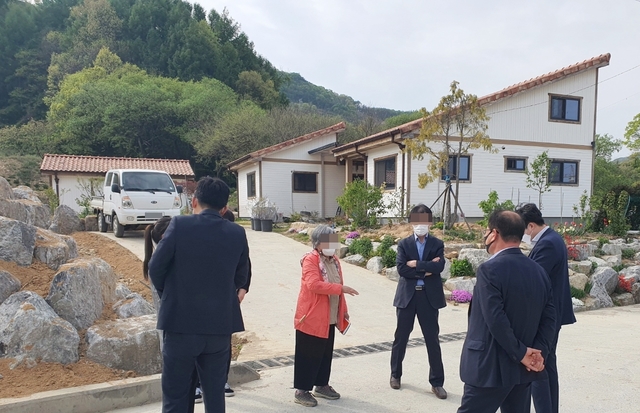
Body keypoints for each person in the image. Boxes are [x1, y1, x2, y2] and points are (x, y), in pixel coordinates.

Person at [149, 176, 249, 413]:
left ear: (194, 201)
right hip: (219, 328)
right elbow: (242, 275)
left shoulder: (179, 225)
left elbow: (155, 268)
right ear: (224, 208)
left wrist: (170, 294)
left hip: (180, 325)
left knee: (176, 397)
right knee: (215, 396)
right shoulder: (237, 232)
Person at [457, 210, 556, 413]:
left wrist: (521, 353)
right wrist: (537, 353)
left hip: (489, 369)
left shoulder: (489, 270)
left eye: (486, 232)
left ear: (494, 233)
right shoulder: (539, 272)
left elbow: (495, 319)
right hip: (523, 370)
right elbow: (550, 317)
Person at [515, 203, 576, 413]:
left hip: (546, 316)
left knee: (538, 368)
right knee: (548, 365)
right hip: (552, 313)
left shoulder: (548, 243)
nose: (522, 235)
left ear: (530, 226)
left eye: (522, 230)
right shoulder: (553, 238)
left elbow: (535, 278)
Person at [293, 225, 359, 407]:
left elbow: (339, 285)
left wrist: (343, 310)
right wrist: (341, 289)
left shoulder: (334, 261)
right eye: (329, 241)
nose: (333, 244)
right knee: (308, 353)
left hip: (329, 316)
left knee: (324, 353)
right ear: (318, 243)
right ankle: (301, 390)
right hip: (311, 316)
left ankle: (321, 385)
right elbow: (313, 284)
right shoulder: (310, 260)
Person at [389, 204, 447, 399]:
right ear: (412, 222)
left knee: (432, 340)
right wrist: (427, 269)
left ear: (430, 222)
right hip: (407, 296)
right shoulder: (404, 244)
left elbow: (439, 268)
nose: (420, 225)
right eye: (417, 220)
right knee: (401, 338)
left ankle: (437, 382)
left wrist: (417, 265)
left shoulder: (437, 244)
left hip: (428, 298)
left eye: (424, 221)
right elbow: (401, 270)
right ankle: (395, 374)